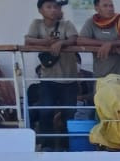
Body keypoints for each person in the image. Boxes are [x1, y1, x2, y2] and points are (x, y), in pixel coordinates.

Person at [26, 0, 81, 152]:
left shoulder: (67, 24)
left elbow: (73, 39)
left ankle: (66, 146)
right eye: (48, 7)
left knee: (68, 114)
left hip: (69, 78)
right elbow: (28, 40)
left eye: (55, 7)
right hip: (48, 78)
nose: (53, 10)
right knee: (46, 112)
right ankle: (47, 145)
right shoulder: (36, 24)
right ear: (40, 10)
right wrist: (47, 42)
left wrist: (60, 43)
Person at [74, 0, 120, 80]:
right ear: (96, 8)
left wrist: (111, 44)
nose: (110, 9)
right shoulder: (91, 22)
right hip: (101, 77)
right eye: (105, 6)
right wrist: (105, 44)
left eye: (111, 6)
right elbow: (80, 40)